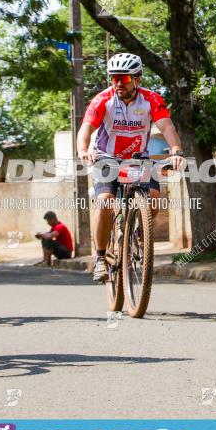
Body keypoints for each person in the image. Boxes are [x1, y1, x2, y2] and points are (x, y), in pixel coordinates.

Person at [76, 52, 186, 283]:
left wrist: (176, 151)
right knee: (105, 201)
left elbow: (167, 128)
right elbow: (85, 129)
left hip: (138, 159)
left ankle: (137, 234)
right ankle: (100, 257)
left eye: (123, 79)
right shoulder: (103, 99)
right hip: (107, 158)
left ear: (137, 79)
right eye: (114, 78)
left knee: (154, 196)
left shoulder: (152, 100)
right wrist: (83, 150)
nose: (117, 83)